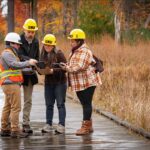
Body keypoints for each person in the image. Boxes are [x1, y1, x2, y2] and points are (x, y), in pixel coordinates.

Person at [60, 29, 102, 136]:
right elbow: (74, 63)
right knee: (84, 103)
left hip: (88, 81)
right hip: (80, 82)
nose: (71, 42)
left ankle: (85, 127)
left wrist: (67, 68)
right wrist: (66, 65)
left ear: (79, 41)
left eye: (73, 41)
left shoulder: (85, 51)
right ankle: (89, 125)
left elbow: (80, 66)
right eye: (71, 40)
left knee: (86, 103)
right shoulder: (75, 50)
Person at [0, 32, 37, 138]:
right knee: (16, 107)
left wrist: (31, 69)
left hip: (9, 83)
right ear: (11, 43)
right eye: (17, 44)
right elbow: (14, 65)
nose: (19, 46)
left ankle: (5, 129)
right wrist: (28, 62)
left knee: (7, 106)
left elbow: (17, 68)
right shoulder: (7, 53)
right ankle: (15, 130)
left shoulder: (11, 54)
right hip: (11, 84)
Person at [37, 34, 67, 134]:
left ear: (53, 45)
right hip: (48, 83)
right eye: (45, 45)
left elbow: (65, 69)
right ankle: (48, 124)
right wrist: (40, 70)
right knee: (49, 105)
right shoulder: (43, 54)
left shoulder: (59, 54)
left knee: (60, 104)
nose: (47, 47)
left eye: (49, 45)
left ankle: (61, 125)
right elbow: (41, 68)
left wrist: (53, 70)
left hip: (60, 83)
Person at [18, 18, 39, 133]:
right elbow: (19, 55)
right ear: (24, 30)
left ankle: (25, 123)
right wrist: (29, 60)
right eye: (29, 32)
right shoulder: (18, 40)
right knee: (13, 100)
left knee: (28, 100)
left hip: (30, 74)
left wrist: (39, 65)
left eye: (33, 32)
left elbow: (37, 57)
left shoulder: (36, 41)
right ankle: (11, 123)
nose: (31, 34)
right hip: (18, 73)